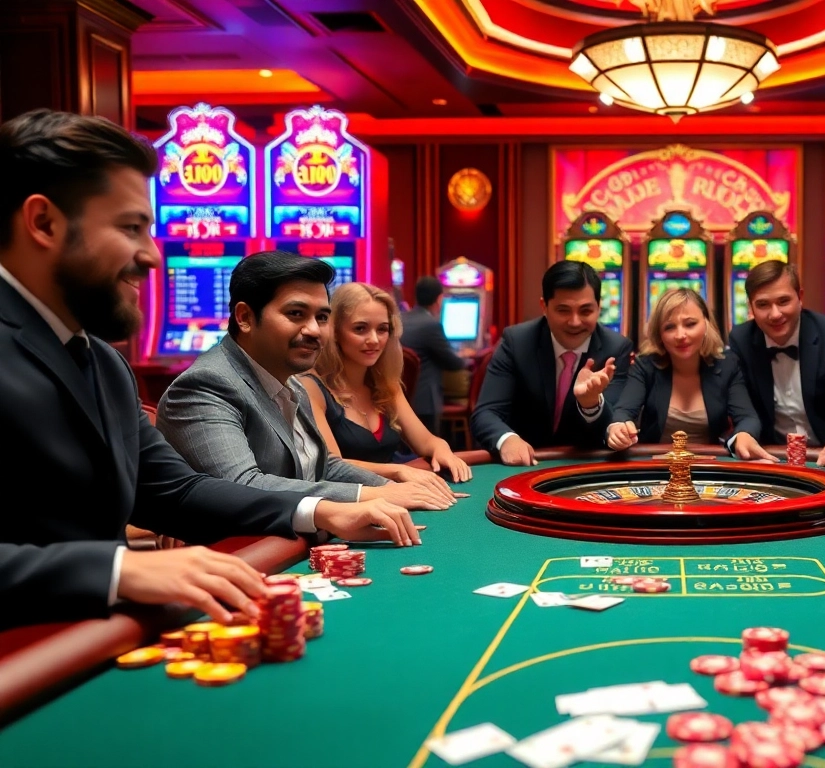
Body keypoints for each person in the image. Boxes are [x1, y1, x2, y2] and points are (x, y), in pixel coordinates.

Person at [0, 110, 418, 628]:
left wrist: (321, 510)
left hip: (89, 645)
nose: (153, 256)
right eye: (130, 228)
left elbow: (176, 492)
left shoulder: (103, 362)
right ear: (43, 223)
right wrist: (118, 570)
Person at [158, 252, 458, 510]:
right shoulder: (206, 384)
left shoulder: (292, 383)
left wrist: (391, 487)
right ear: (245, 317)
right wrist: (370, 495)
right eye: (296, 313)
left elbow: (324, 465)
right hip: (238, 552)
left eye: (322, 317)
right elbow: (243, 485)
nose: (314, 330)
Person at [300, 282, 472, 485]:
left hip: (396, 494)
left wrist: (442, 449)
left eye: (382, 329)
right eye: (360, 329)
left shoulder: (384, 384)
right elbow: (332, 467)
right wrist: (398, 471)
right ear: (335, 332)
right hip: (350, 499)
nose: (374, 339)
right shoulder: (312, 387)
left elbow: (425, 440)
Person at [470, 260, 633, 465]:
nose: (575, 322)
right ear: (544, 307)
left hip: (582, 465)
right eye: (563, 310)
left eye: (585, 311)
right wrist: (507, 439)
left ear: (599, 308)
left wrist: (591, 404)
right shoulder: (517, 342)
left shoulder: (616, 348)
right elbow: (485, 413)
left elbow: (611, 424)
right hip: (522, 463)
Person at [607, 288, 770, 459]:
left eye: (690, 324)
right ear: (659, 334)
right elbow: (623, 412)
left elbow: (747, 418)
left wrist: (743, 434)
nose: (680, 335)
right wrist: (618, 427)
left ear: (706, 324)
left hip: (709, 466)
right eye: (669, 327)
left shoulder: (728, 365)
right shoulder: (645, 366)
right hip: (656, 465)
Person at [727, 260, 825, 468]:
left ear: (800, 297)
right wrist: (744, 435)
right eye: (763, 304)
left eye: (783, 301)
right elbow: (743, 406)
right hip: (774, 457)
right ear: (751, 306)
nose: (775, 314)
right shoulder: (741, 339)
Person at [400, 275, 465, 436]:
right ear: (439, 299)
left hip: (400, 399)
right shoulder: (431, 325)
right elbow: (454, 363)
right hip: (424, 403)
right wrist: (467, 357)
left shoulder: (400, 319)